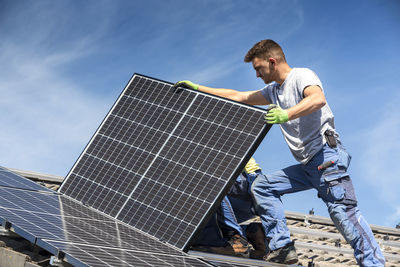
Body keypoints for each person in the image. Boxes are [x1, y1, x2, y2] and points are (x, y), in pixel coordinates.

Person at [173, 39, 385, 266]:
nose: (256, 74)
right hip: (307, 166)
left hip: (326, 159)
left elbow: (317, 99)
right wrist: (197, 88)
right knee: (262, 186)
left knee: (343, 215)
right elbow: (240, 96)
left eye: (258, 68)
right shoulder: (274, 91)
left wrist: (287, 114)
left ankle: (374, 264)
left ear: (272, 62)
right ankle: (282, 247)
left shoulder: (301, 76)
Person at [192, 158, 267, 260]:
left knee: (204, 184)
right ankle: (251, 231)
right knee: (195, 218)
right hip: (236, 199)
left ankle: (236, 241)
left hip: (245, 180)